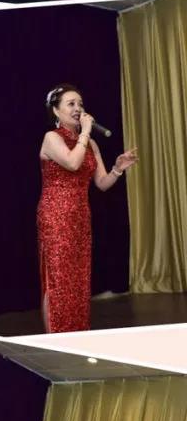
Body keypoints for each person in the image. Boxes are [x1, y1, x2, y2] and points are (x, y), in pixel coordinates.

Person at [38, 84, 138, 333]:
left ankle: (77, 333)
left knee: (78, 280)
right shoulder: (52, 138)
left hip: (80, 216)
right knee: (58, 279)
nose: (78, 109)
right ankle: (54, 338)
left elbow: (102, 183)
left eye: (80, 104)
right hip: (56, 216)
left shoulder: (90, 143)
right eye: (71, 104)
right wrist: (85, 133)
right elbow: (72, 163)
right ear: (56, 110)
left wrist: (117, 169)